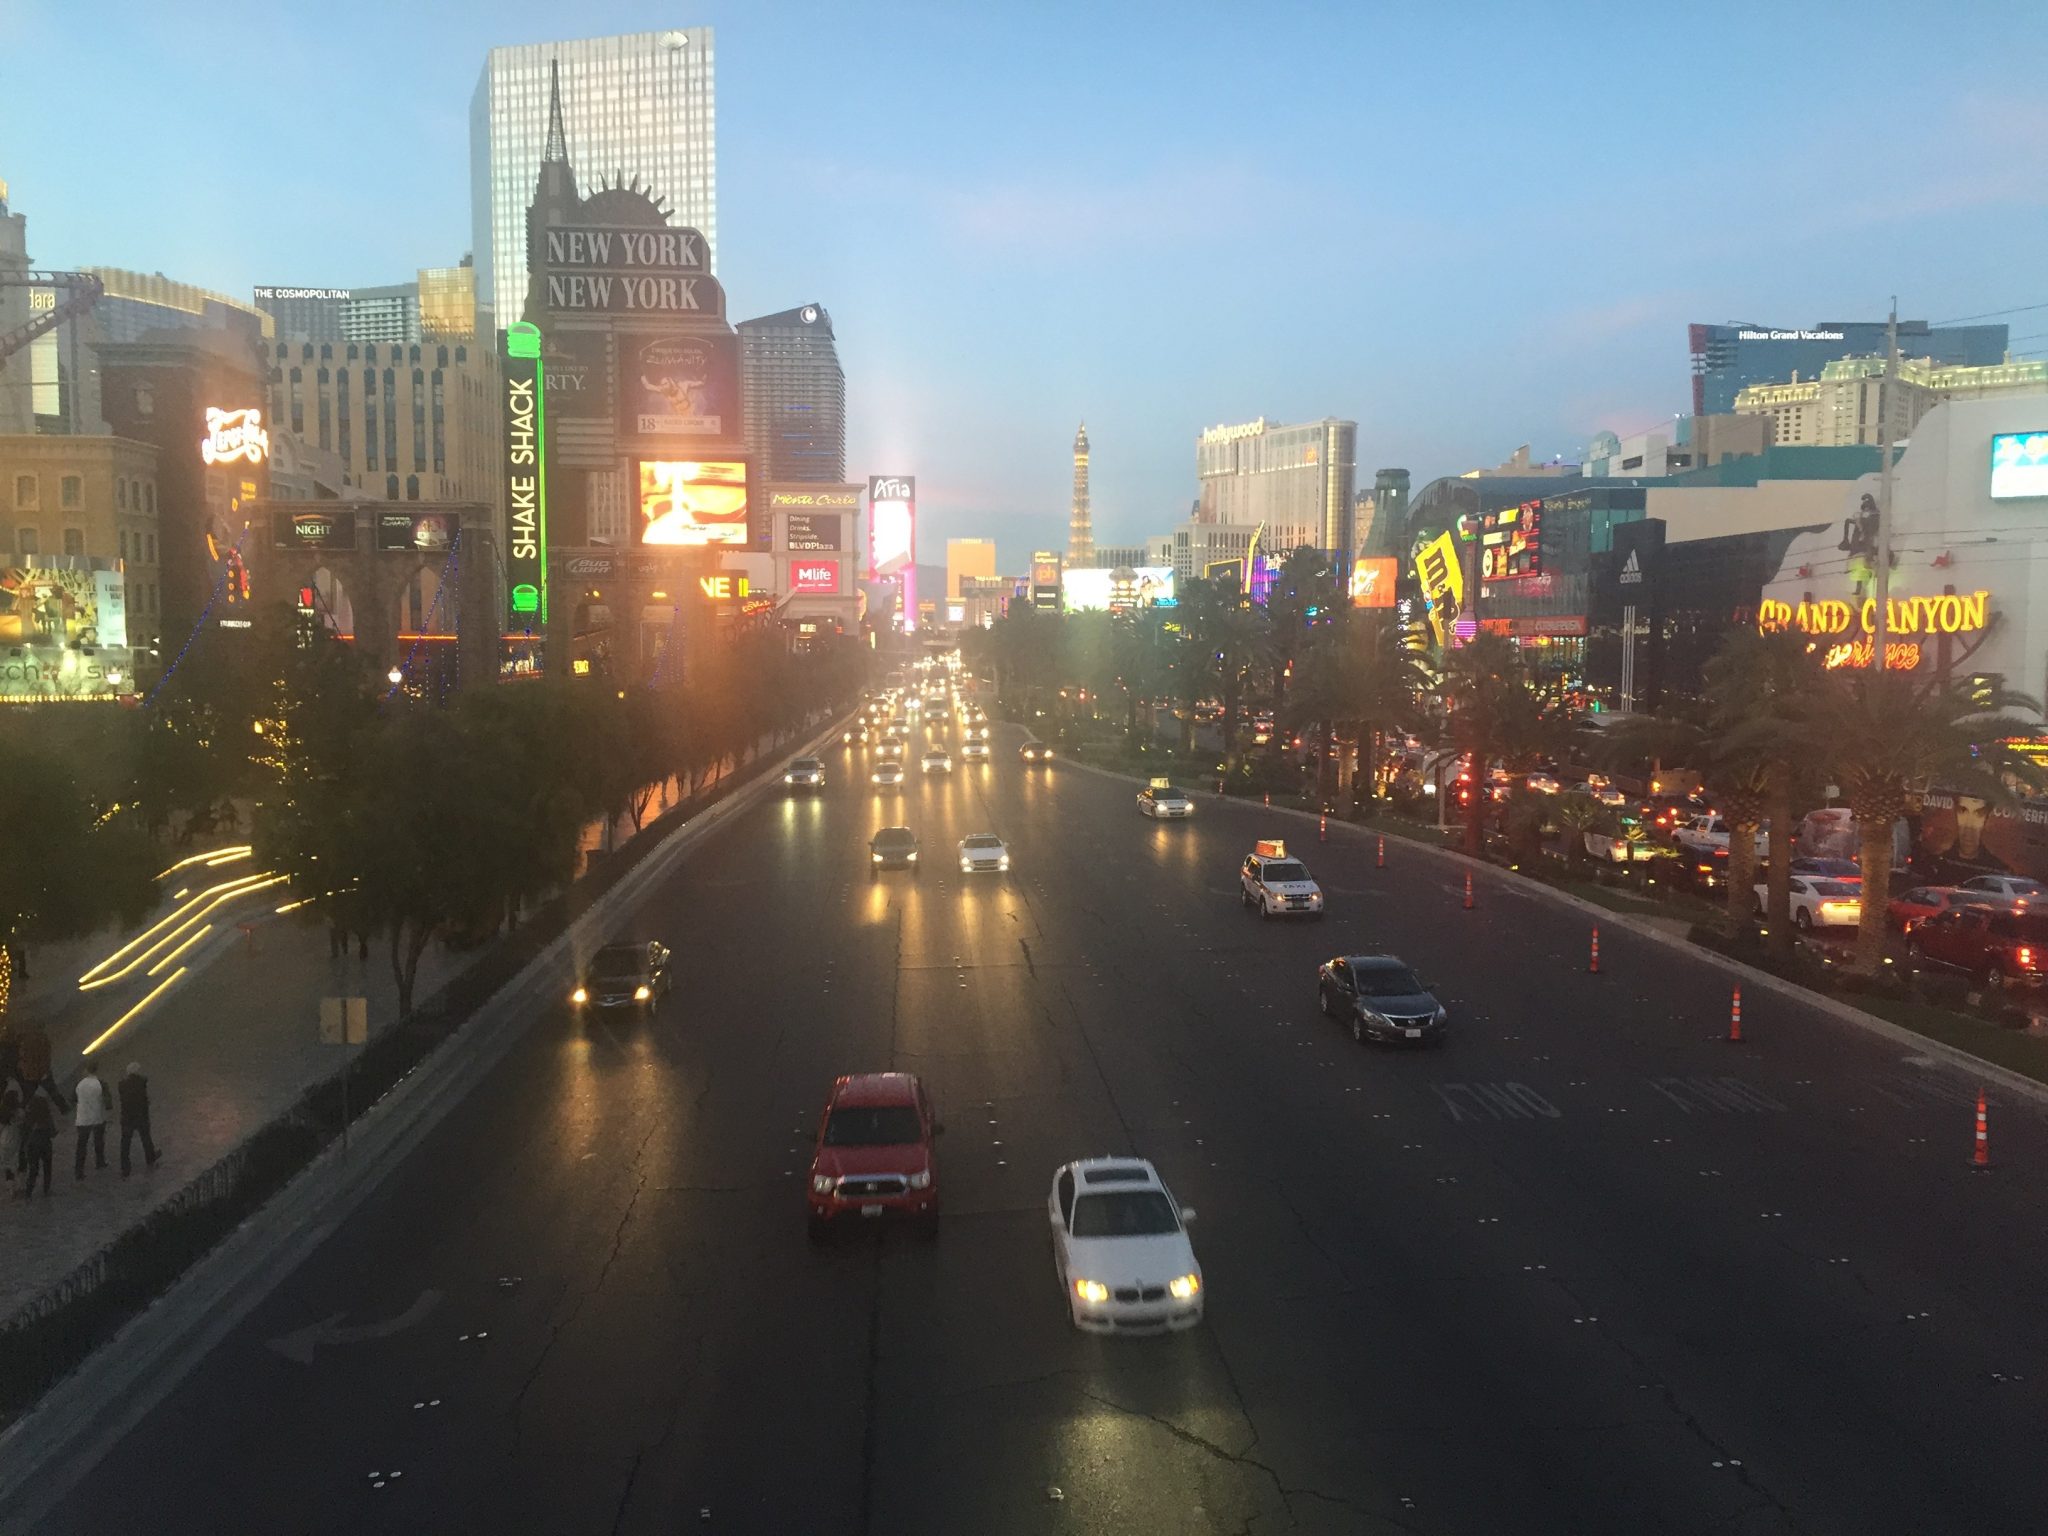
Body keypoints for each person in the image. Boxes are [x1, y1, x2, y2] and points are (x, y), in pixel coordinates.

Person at [118, 1062, 160, 1175]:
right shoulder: (141, 1081)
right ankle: (150, 1157)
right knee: (146, 1138)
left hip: (127, 1117)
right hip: (141, 1116)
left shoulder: (122, 1084)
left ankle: (125, 1167)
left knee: (125, 1142)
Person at [73, 1055, 110, 1178]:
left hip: (82, 1118)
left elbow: (73, 1099)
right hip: (97, 1116)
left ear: (86, 1070)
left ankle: (79, 1170)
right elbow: (108, 1103)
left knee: (81, 1145)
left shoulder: (79, 1084)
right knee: (99, 1141)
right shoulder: (101, 1083)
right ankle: (100, 1162)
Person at [21, 1087, 56, 1198]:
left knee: (33, 1168)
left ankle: (29, 1191)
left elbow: (23, 1131)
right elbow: (53, 1133)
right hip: (45, 1144)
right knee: (47, 1168)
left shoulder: (28, 1118)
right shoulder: (47, 1118)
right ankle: (46, 1189)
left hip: (32, 1144)